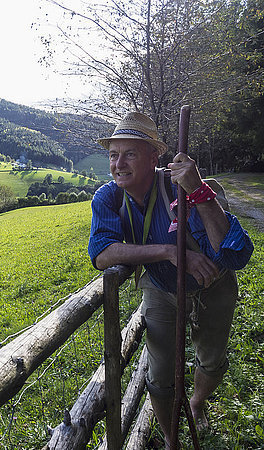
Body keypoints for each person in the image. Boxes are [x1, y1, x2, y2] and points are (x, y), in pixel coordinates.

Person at [87, 111, 253, 446]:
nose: (119, 164)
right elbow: (102, 253)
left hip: (213, 286)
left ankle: (196, 401)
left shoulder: (182, 188)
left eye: (130, 153)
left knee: (211, 360)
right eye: (113, 155)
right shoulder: (109, 197)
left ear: (154, 157)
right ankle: (170, 438)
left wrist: (198, 190)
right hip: (162, 289)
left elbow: (235, 254)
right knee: (160, 374)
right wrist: (170, 252)